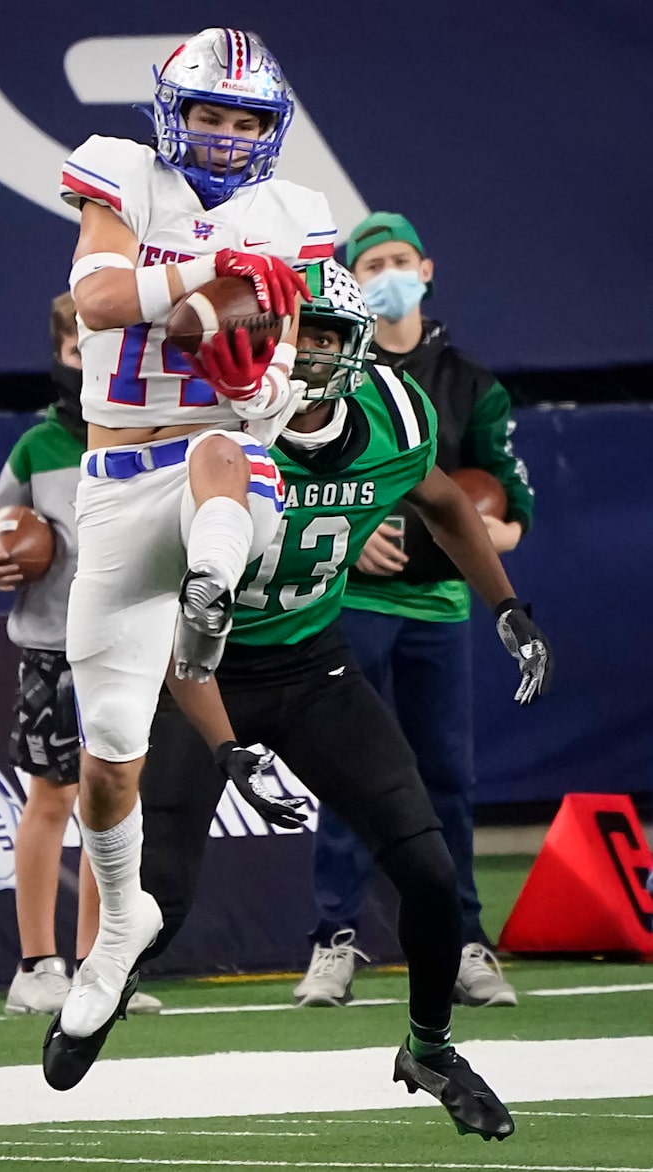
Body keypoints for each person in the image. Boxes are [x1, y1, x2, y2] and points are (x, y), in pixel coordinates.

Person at [44, 260, 553, 1142]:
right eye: (293, 333)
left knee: (430, 877)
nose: (308, 352)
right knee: (159, 906)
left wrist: (506, 605)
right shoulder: (212, 432)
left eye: (324, 336)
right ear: (258, 344)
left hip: (315, 666)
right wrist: (224, 745)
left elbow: (442, 503)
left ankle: (431, 1048)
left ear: (355, 350)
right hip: (193, 671)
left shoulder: (397, 413)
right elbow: (171, 618)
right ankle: (107, 975)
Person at [45, 26, 336, 1061]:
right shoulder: (121, 174)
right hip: (115, 486)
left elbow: (288, 370)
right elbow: (101, 297)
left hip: (220, 461)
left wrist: (261, 374)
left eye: (243, 120)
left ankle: (208, 599)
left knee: (225, 443)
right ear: (173, 114)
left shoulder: (296, 214)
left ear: (270, 130)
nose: (221, 136)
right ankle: (121, 924)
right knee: (109, 766)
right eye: (207, 114)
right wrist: (213, 270)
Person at [294, 212, 535, 1011]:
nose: (387, 273)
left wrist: (485, 527)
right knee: (347, 770)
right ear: (349, 286)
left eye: (399, 260)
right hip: (350, 596)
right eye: (371, 264)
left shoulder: (472, 383)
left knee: (445, 776)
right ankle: (335, 937)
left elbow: (507, 504)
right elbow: (298, 479)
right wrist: (349, 535)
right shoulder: (331, 371)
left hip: (436, 603)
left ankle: (464, 939)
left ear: (425, 269)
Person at [0, 292, 161, 1015]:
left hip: (130, 641)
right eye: (78, 350)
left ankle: (101, 964)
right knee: (52, 797)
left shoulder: (156, 431)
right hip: (52, 645)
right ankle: (38, 964)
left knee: (116, 798)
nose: (89, 362)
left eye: (101, 348)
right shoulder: (40, 445)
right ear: (61, 355)